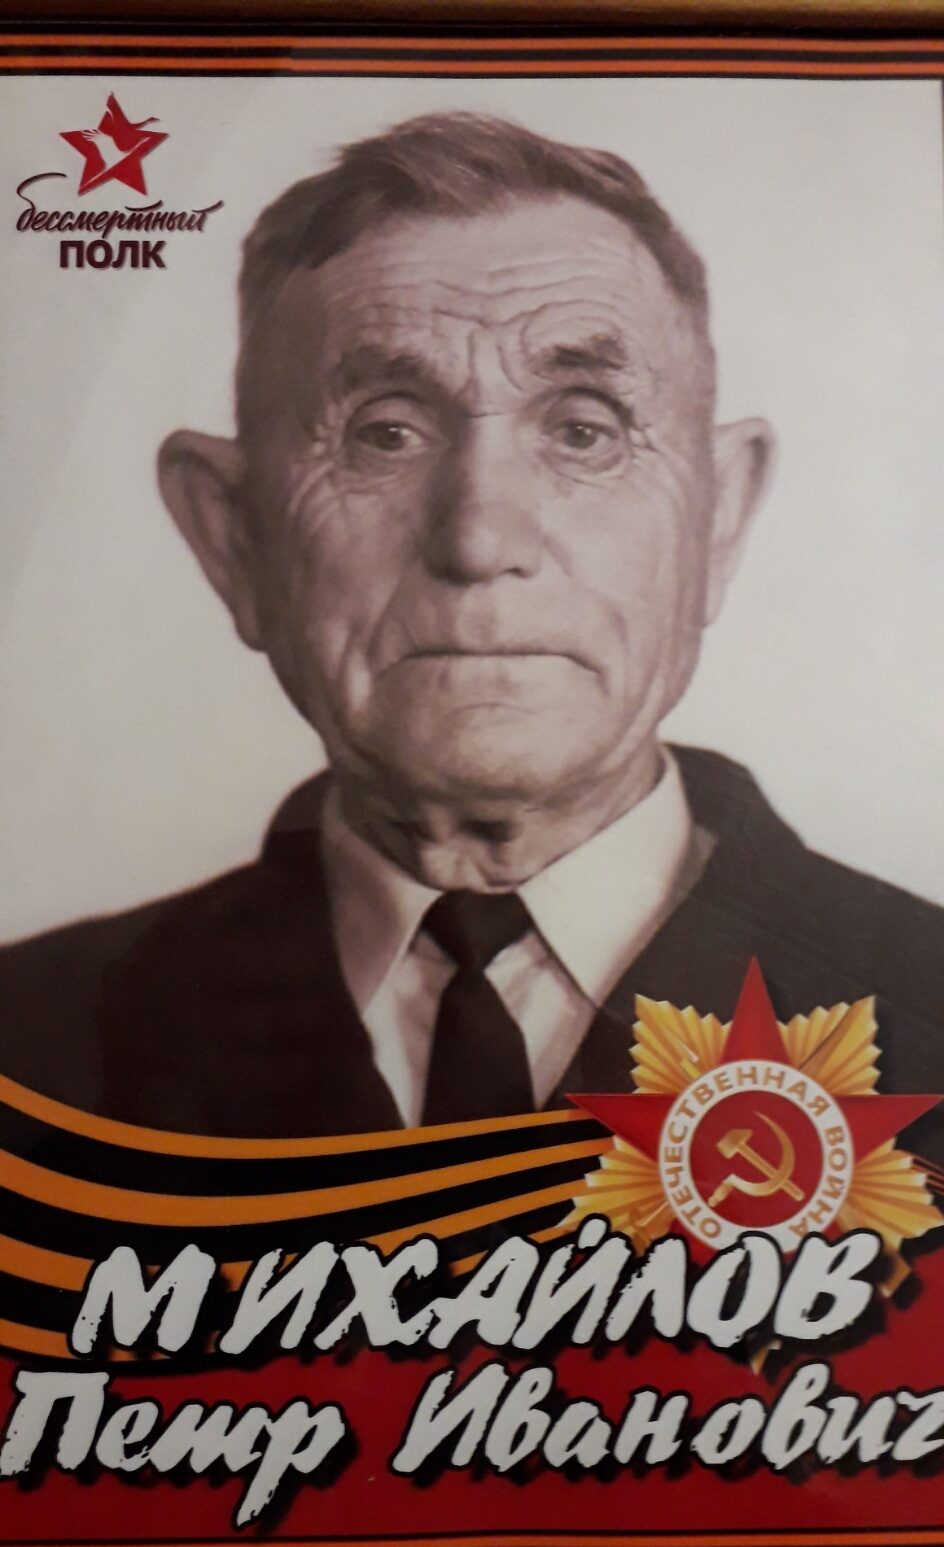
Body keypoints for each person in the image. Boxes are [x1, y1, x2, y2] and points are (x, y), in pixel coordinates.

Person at [0, 113, 941, 1153]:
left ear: (719, 518)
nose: (480, 538)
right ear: (234, 536)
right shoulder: (29, 1052)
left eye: (582, 429)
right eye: (385, 433)